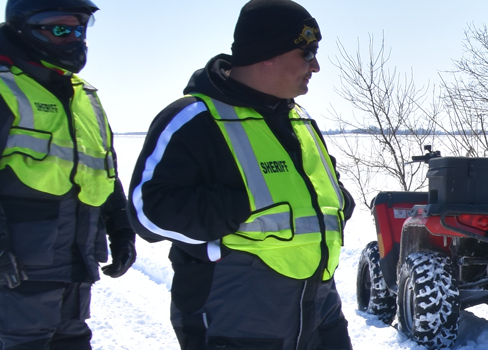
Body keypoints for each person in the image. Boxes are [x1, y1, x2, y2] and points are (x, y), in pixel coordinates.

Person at [128, 0, 353, 349]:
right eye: (307, 53)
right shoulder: (195, 120)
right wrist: (238, 206)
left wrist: (339, 203)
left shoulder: (300, 120)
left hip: (319, 311)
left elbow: (322, 191)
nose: (316, 66)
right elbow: (147, 211)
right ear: (268, 53)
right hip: (238, 322)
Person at [0, 0, 138, 348]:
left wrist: (120, 228)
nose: (73, 38)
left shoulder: (83, 95)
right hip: (13, 274)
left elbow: (104, 168)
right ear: (23, 29)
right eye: (60, 29)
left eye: (79, 29)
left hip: (73, 270)